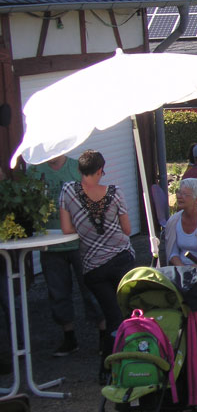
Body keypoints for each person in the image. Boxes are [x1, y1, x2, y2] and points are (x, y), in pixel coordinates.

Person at [59, 150, 135, 381]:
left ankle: (107, 367)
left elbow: (67, 230)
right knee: (128, 312)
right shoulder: (115, 193)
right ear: (101, 170)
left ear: (80, 169)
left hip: (93, 265)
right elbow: (128, 230)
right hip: (121, 258)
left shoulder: (68, 192)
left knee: (111, 314)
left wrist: (87, 232)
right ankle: (128, 362)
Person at [27, 155, 105, 357]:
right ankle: (69, 337)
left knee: (90, 287)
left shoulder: (77, 168)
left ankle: (104, 335)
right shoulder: (35, 171)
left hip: (79, 241)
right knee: (58, 292)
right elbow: (28, 203)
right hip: (49, 243)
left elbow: (94, 195)